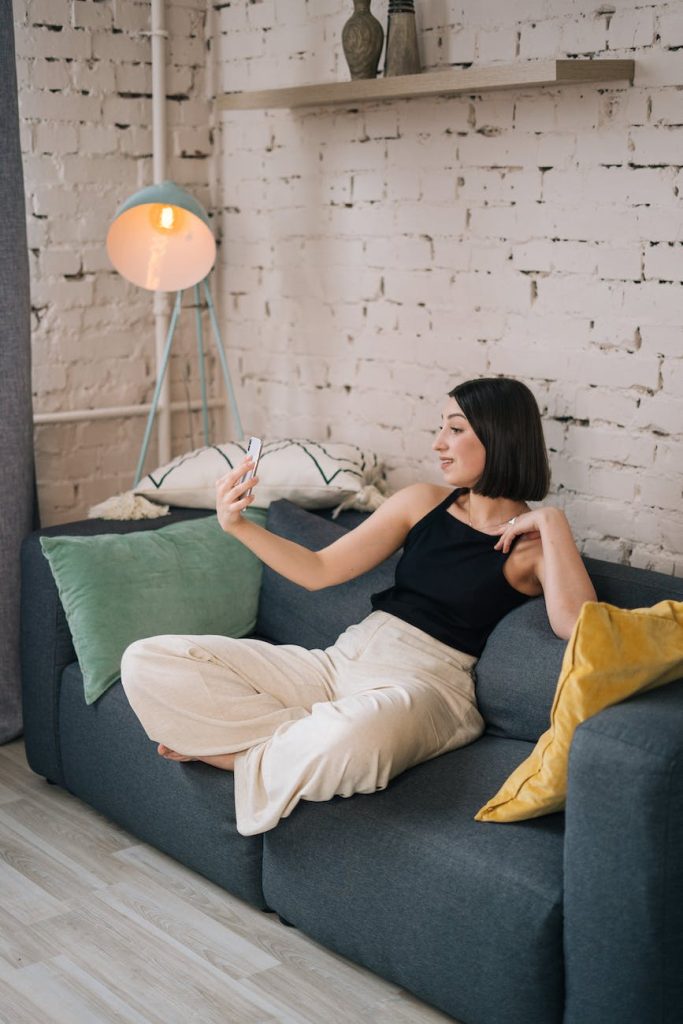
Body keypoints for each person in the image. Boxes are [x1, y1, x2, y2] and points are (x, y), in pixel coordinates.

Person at [121, 376, 597, 836]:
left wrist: (553, 522)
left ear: (500, 437)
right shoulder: (422, 502)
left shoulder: (531, 546)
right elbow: (319, 569)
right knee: (147, 659)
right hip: (339, 663)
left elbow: (578, 623)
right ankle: (286, 747)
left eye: (455, 429)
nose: (438, 443)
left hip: (424, 687)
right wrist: (238, 526)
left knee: (352, 736)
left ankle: (232, 753)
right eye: (441, 427)